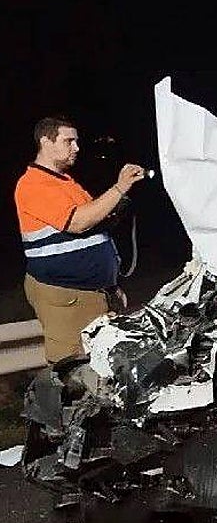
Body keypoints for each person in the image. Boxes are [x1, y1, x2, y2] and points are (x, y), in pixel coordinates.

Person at [14, 116, 145, 362]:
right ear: (46, 141)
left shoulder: (66, 183)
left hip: (93, 293)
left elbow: (93, 228)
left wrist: (111, 286)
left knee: (104, 365)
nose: (76, 148)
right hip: (65, 295)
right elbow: (77, 222)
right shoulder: (33, 184)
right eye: (69, 141)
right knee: (74, 369)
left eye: (77, 141)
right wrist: (119, 189)